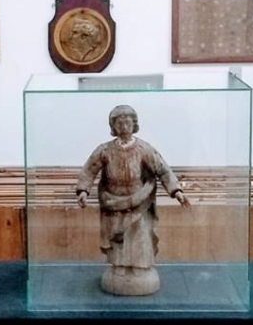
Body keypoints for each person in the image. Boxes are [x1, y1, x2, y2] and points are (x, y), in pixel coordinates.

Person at [76, 105, 189, 296]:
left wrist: (176, 191)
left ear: (134, 124)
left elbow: (163, 170)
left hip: (139, 202)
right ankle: (119, 268)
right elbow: (89, 169)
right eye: (119, 123)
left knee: (140, 237)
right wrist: (83, 190)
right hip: (112, 203)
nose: (124, 126)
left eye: (128, 122)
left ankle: (140, 269)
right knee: (117, 238)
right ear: (113, 126)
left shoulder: (144, 149)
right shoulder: (105, 150)